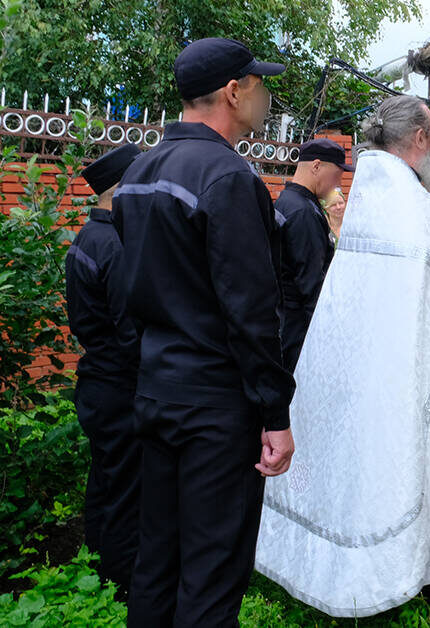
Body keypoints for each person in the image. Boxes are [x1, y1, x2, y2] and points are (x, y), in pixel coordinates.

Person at [255, 95, 430, 617]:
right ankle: (417, 563)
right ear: (418, 140)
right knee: (403, 453)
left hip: (363, 359)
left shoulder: (370, 193)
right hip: (399, 366)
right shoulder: (413, 206)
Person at [112, 37, 296, 627]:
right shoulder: (228, 177)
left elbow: (129, 293)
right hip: (215, 408)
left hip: (156, 394)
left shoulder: (139, 172)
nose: (266, 95)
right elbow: (251, 309)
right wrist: (275, 414)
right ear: (233, 90)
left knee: (157, 563)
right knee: (212, 575)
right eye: (259, 83)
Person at [65, 142, 142, 597]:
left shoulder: (87, 239)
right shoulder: (114, 244)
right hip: (119, 388)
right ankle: (121, 584)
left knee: (106, 482)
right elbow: (131, 331)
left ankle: (95, 565)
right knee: (127, 493)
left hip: (97, 381)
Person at [275, 138, 352, 373]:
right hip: (299, 332)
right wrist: (329, 341)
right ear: (316, 166)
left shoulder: (288, 201)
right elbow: (310, 285)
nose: (337, 184)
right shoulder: (302, 212)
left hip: (285, 323)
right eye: (337, 176)